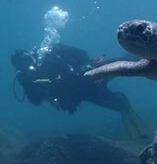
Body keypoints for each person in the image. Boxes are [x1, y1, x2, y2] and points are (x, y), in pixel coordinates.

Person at [11, 43, 149, 139]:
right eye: (22, 64)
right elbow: (36, 101)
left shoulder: (49, 54)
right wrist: (29, 83)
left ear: (32, 55)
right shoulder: (26, 79)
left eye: (27, 59)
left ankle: (148, 47)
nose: (27, 64)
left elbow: (81, 54)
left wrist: (85, 64)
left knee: (124, 62)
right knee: (118, 104)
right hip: (81, 94)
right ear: (18, 67)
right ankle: (125, 106)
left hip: (91, 74)